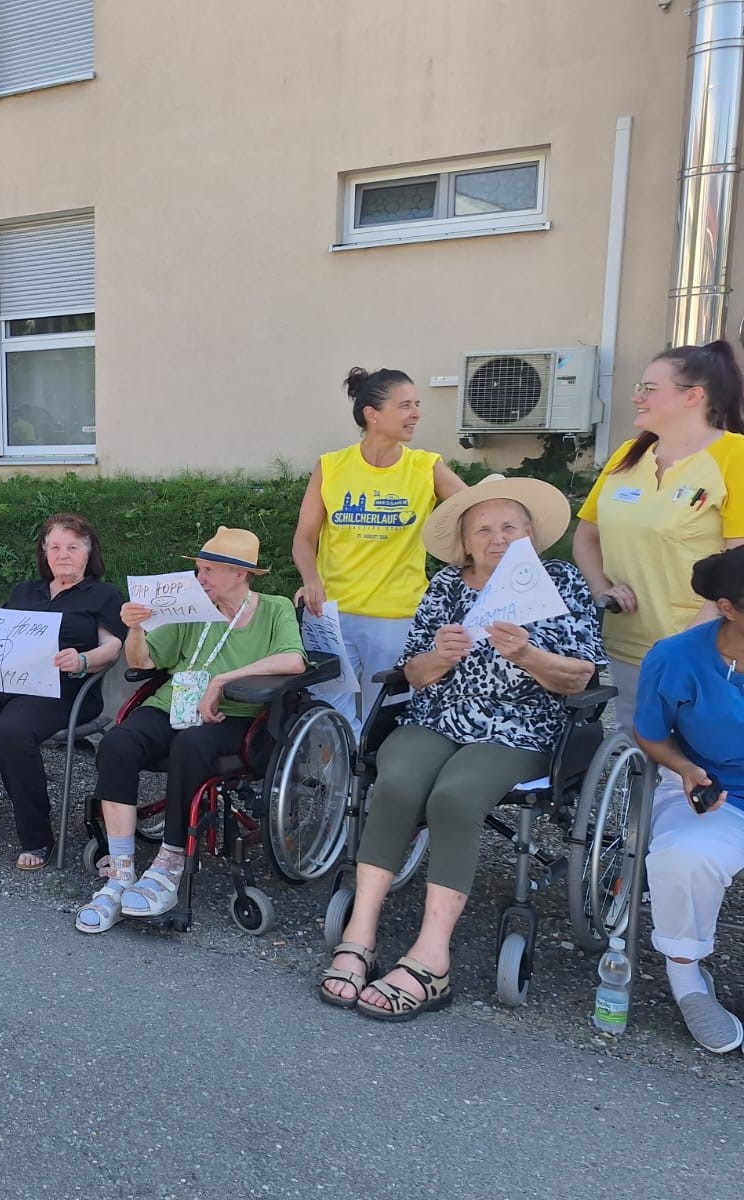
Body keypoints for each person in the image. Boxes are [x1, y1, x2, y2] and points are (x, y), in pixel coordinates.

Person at [319, 475, 605, 1020]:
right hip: (439, 716)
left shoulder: (560, 581)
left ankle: (432, 958)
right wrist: (439, 657)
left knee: (455, 796)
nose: (498, 539)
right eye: (484, 530)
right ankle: (360, 933)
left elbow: (580, 677)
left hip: (521, 726)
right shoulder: (448, 585)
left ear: (529, 534)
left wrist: (528, 656)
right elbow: (412, 673)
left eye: (510, 527)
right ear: (466, 542)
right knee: (396, 784)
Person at [77, 528, 306, 930]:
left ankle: (170, 860)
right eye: (199, 569)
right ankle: (121, 871)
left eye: (208, 571)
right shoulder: (191, 607)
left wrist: (222, 681)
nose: (199, 578)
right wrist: (135, 629)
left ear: (240, 574)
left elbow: (293, 661)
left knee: (191, 744)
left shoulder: (274, 608)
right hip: (174, 704)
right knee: (117, 743)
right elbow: (143, 661)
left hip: (237, 714)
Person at [0, 513, 125, 871]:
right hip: (6, 680)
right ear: (44, 552)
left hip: (63, 690)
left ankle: (36, 836)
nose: (63, 554)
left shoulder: (104, 595)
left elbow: (112, 648)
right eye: (55, 547)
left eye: (72, 547)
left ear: (89, 552)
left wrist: (82, 659)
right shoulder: (26, 591)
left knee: (13, 733)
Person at [574, 340, 744, 731]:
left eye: (649, 389)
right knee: (637, 744)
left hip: (706, 646)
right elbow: (586, 537)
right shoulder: (627, 455)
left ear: (693, 397)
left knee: (699, 752)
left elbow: (739, 568)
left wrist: (684, 646)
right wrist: (602, 588)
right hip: (627, 642)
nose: (637, 397)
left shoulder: (734, 456)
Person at [292, 367, 465, 734]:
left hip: (396, 617)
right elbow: (304, 538)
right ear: (372, 413)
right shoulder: (331, 466)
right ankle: (338, 773)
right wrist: (311, 580)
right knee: (328, 716)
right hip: (330, 615)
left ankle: (376, 773)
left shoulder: (426, 466)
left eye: (417, 404)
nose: (416, 413)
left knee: (383, 717)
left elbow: (475, 511)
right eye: (405, 405)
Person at [633, 547, 744, 1053]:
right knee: (683, 856)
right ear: (727, 608)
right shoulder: (676, 657)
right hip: (715, 789)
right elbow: (651, 733)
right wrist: (684, 768)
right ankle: (687, 978)